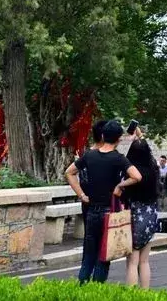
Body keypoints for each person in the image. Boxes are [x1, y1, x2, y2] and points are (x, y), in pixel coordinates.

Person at [65, 119, 142, 285]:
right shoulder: (118, 159)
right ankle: (97, 290)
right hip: (109, 212)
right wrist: (120, 185)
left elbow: (69, 173)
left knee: (89, 254)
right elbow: (137, 176)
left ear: (102, 135)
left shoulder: (89, 155)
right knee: (103, 255)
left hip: (91, 210)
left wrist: (82, 195)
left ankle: (81, 288)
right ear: (118, 139)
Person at [124, 129, 160, 289]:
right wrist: (140, 136)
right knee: (144, 261)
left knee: (132, 262)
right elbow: (148, 152)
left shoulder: (129, 173)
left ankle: (132, 296)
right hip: (150, 217)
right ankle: (145, 294)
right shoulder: (153, 169)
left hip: (133, 216)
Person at [78, 120, 107, 225]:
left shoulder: (87, 155)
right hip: (94, 207)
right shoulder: (91, 156)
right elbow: (70, 173)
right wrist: (82, 195)